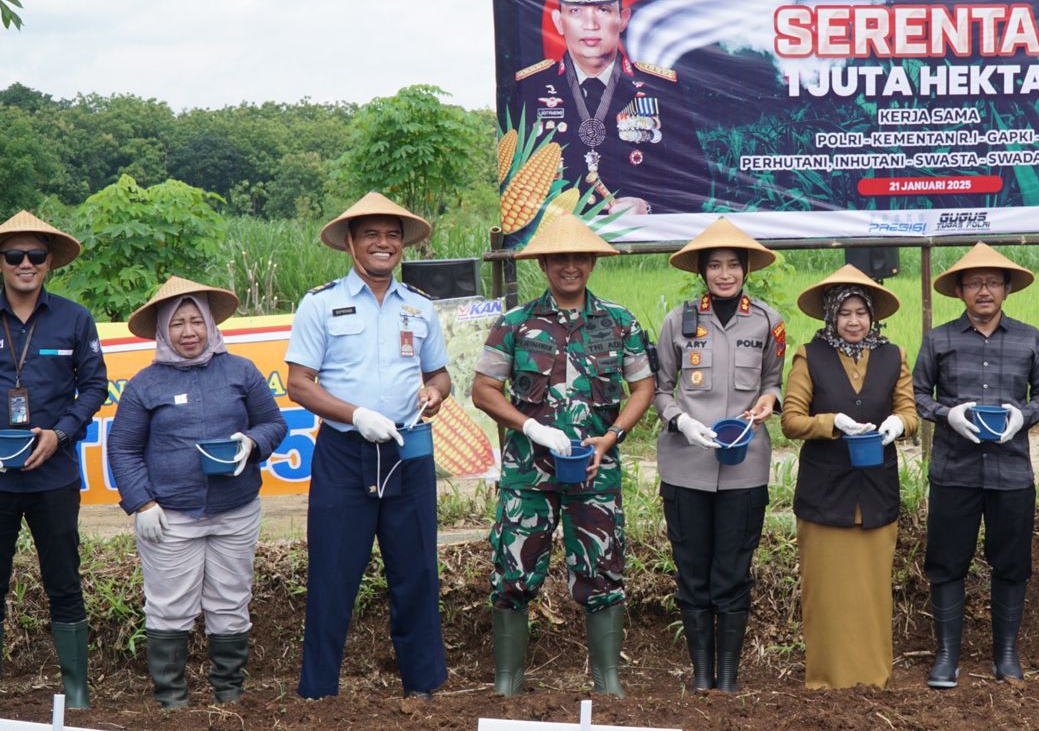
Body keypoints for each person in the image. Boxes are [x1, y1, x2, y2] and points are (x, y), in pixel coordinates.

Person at [473, 210, 655, 698]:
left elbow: (644, 386)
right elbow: (484, 389)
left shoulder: (620, 322)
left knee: (603, 571)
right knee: (513, 572)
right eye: (559, 258)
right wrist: (530, 425)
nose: (569, 266)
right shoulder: (514, 324)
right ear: (545, 264)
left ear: (592, 261)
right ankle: (508, 680)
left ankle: (607, 680)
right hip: (527, 476)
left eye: (578, 257)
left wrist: (613, 434)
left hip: (595, 472)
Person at [285, 192, 452, 700]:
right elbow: (299, 383)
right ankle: (318, 693)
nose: (384, 243)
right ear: (352, 245)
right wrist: (355, 414)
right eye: (372, 235)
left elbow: (440, 374)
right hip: (345, 452)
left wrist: (434, 392)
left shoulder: (419, 307)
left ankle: (422, 688)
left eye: (392, 235)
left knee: (417, 570)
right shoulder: (319, 303)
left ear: (402, 245)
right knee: (333, 575)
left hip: (408, 450)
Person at [108, 277, 288, 708]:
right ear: (162, 331)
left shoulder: (240, 370)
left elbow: (274, 423)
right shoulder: (145, 384)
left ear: (210, 323)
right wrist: (142, 503)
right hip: (170, 517)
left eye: (196, 321)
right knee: (169, 606)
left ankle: (229, 694)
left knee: (230, 601)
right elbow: (123, 447)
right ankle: (172, 702)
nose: (188, 332)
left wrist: (251, 442)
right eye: (177, 324)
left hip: (236, 510)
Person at [914, 243, 1039, 687]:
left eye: (992, 282)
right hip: (953, 470)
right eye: (974, 282)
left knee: (1012, 563)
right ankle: (946, 657)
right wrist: (946, 414)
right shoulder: (939, 339)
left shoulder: (1029, 338)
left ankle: (1006, 656)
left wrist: (1024, 415)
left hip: (1011, 472)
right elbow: (918, 394)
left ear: (1006, 289)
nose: (983, 290)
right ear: (959, 290)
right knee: (946, 562)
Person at [653, 218, 785, 692]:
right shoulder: (678, 321)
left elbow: (773, 380)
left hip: (744, 466)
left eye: (733, 265)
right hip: (686, 464)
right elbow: (659, 389)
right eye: (715, 266)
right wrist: (681, 420)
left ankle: (728, 676)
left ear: (746, 269)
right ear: (702, 272)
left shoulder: (768, 322)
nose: (724, 274)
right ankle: (701, 676)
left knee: (733, 568)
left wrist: (770, 399)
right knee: (692, 569)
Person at [780, 264, 916, 689]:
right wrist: (831, 422)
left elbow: (909, 410)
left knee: (872, 592)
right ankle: (826, 679)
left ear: (872, 316)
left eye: (861, 312)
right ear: (831, 316)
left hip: (875, 489)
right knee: (828, 594)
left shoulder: (893, 355)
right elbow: (790, 419)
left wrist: (898, 425)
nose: (854, 321)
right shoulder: (810, 355)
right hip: (826, 492)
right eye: (845, 313)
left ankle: (873, 677)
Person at [508, 0, 705, 218]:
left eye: (603, 9)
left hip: (637, 246)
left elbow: (697, 181)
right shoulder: (531, 87)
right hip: (560, 246)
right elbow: (512, 180)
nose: (591, 24)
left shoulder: (660, 87)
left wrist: (648, 208)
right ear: (559, 20)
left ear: (623, 18)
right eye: (576, 11)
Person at [0, 211, 107, 709]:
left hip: (54, 473)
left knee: (63, 580)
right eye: (14, 255)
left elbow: (95, 385)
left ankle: (77, 690)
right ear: (1, 263)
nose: (25, 263)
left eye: (35, 255)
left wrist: (62, 433)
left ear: (48, 264)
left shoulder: (74, 318)